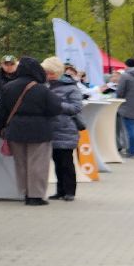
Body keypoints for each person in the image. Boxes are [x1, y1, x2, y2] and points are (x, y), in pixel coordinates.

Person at [0, 57, 62, 205]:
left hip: (15, 130)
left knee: (21, 164)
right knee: (38, 164)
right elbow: (56, 108)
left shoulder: (8, 87)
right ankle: (35, 196)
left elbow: (0, 111)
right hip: (39, 130)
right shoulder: (41, 89)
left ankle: (25, 193)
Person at [43, 56, 84, 202]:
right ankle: (60, 191)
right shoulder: (45, 86)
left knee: (66, 162)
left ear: (58, 72)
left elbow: (76, 107)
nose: (48, 76)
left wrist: (58, 105)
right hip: (51, 129)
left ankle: (70, 191)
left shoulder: (71, 87)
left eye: (51, 73)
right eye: (46, 72)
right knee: (57, 162)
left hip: (65, 129)